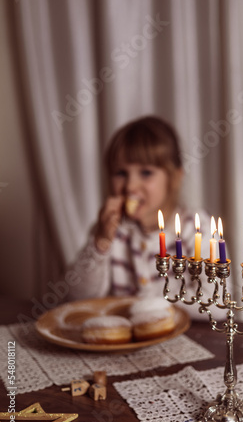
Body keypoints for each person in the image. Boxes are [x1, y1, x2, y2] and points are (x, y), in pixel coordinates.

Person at [67, 116, 211, 313]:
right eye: (120, 173)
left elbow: (215, 303)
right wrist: (100, 243)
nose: (130, 186)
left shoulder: (195, 227)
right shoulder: (110, 230)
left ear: (175, 178)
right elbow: (78, 298)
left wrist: (145, 306)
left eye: (146, 172)